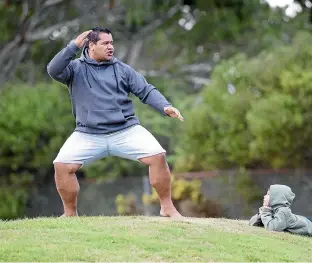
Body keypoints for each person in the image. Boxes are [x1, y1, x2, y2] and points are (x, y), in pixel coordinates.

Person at [47, 27, 184, 218]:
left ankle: (167, 208)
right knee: (61, 165)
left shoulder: (122, 69)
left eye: (112, 43)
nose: (111, 47)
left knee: (158, 156)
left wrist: (164, 106)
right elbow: (53, 70)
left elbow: (146, 90)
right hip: (88, 133)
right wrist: (73, 46)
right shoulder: (75, 69)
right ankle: (70, 214)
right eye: (105, 43)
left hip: (125, 130)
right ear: (90, 45)